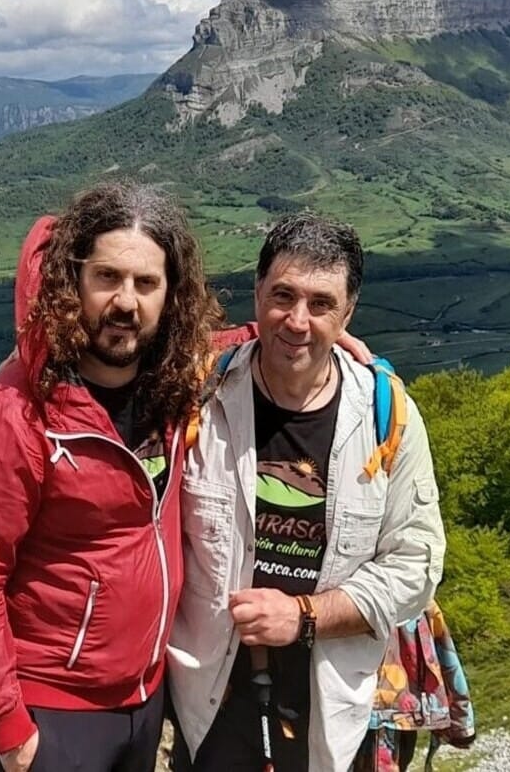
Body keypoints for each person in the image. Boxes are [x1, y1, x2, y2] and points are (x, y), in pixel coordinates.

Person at [0, 182, 232, 772]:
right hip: (54, 709)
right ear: (71, 282)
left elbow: (240, 342)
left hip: (146, 697)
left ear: (171, 297)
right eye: (107, 278)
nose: (126, 302)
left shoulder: (170, 384)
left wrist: (321, 343)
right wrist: (8, 729)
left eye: (146, 283)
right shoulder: (12, 414)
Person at [168, 212, 446, 772]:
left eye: (321, 304)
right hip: (211, 700)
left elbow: (416, 563)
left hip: (336, 703)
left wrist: (304, 616)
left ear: (348, 313)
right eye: (283, 296)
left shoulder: (386, 415)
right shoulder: (198, 397)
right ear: (258, 292)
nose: (298, 321)